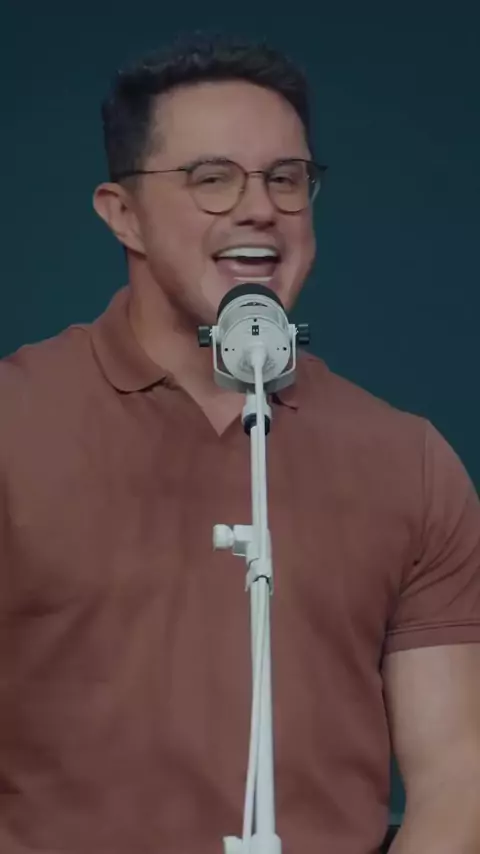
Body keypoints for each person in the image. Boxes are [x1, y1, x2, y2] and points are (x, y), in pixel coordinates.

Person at [0, 33, 479, 854]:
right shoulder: (16, 420)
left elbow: (457, 777)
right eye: (212, 178)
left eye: (285, 179)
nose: (259, 208)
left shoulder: (410, 461)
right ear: (123, 214)